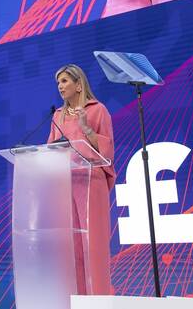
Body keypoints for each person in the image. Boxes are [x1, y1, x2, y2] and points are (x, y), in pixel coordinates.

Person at [48, 64, 115, 295]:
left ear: (79, 85)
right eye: (58, 83)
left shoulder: (98, 110)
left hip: (90, 181)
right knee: (71, 248)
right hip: (65, 184)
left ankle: (98, 300)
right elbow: (50, 149)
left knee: (92, 246)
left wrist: (86, 128)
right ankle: (75, 300)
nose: (60, 87)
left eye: (65, 81)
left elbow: (107, 152)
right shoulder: (57, 115)